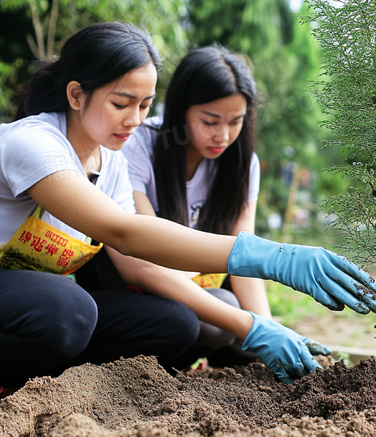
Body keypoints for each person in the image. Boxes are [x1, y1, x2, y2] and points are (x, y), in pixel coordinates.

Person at [0, 22, 376, 398]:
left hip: (28, 304)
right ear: (76, 95)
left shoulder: (110, 159)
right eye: (120, 103)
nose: (134, 119)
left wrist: (261, 324)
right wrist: (272, 258)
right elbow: (124, 232)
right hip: (29, 301)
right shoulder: (33, 142)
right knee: (66, 308)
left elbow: (136, 255)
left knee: (175, 323)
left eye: (144, 105)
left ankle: (57, 385)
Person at [78, 45, 277, 370]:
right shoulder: (138, 145)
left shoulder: (242, 164)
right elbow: (144, 257)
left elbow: (246, 258)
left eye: (236, 121)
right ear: (181, 109)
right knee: (215, 318)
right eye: (210, 122)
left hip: (190, 290)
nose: (223, 135)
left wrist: (268, 329)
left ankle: (181, 366)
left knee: (244, 334)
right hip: (134, 286)